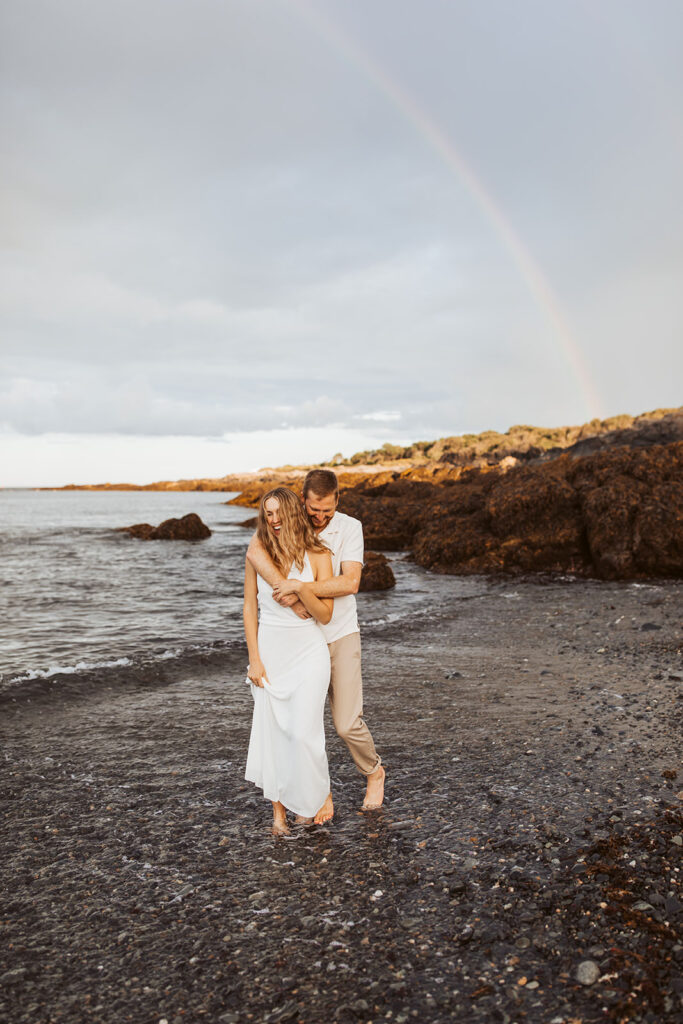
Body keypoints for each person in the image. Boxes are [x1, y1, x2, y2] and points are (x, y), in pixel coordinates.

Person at [247, 469, 385, 811]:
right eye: (314, 510)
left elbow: (350, 583)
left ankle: (374, 771)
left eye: (327, 510)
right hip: (297, 641)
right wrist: (284, 590)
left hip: (339, 634)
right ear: (302, 501)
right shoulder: (291, 521)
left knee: (345, 723)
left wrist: (299, 591)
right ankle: (317, 795)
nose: (320, 517)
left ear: (337, 500)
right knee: (300, 727)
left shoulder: (350, 528)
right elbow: (255, 549)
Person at [243, 487, 335, 835]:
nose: (274, 520)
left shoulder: (320, 556)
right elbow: (250, 607)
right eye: (268, 514)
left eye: (279, 512)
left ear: (294, 512)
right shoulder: (257, 554)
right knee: (273, 734)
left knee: (303, 732)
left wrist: (300, 588)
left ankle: (315, 796)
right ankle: (279, 812)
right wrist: (254, 659)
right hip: (270, 651)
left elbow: (325, 615)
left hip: (309, 651)